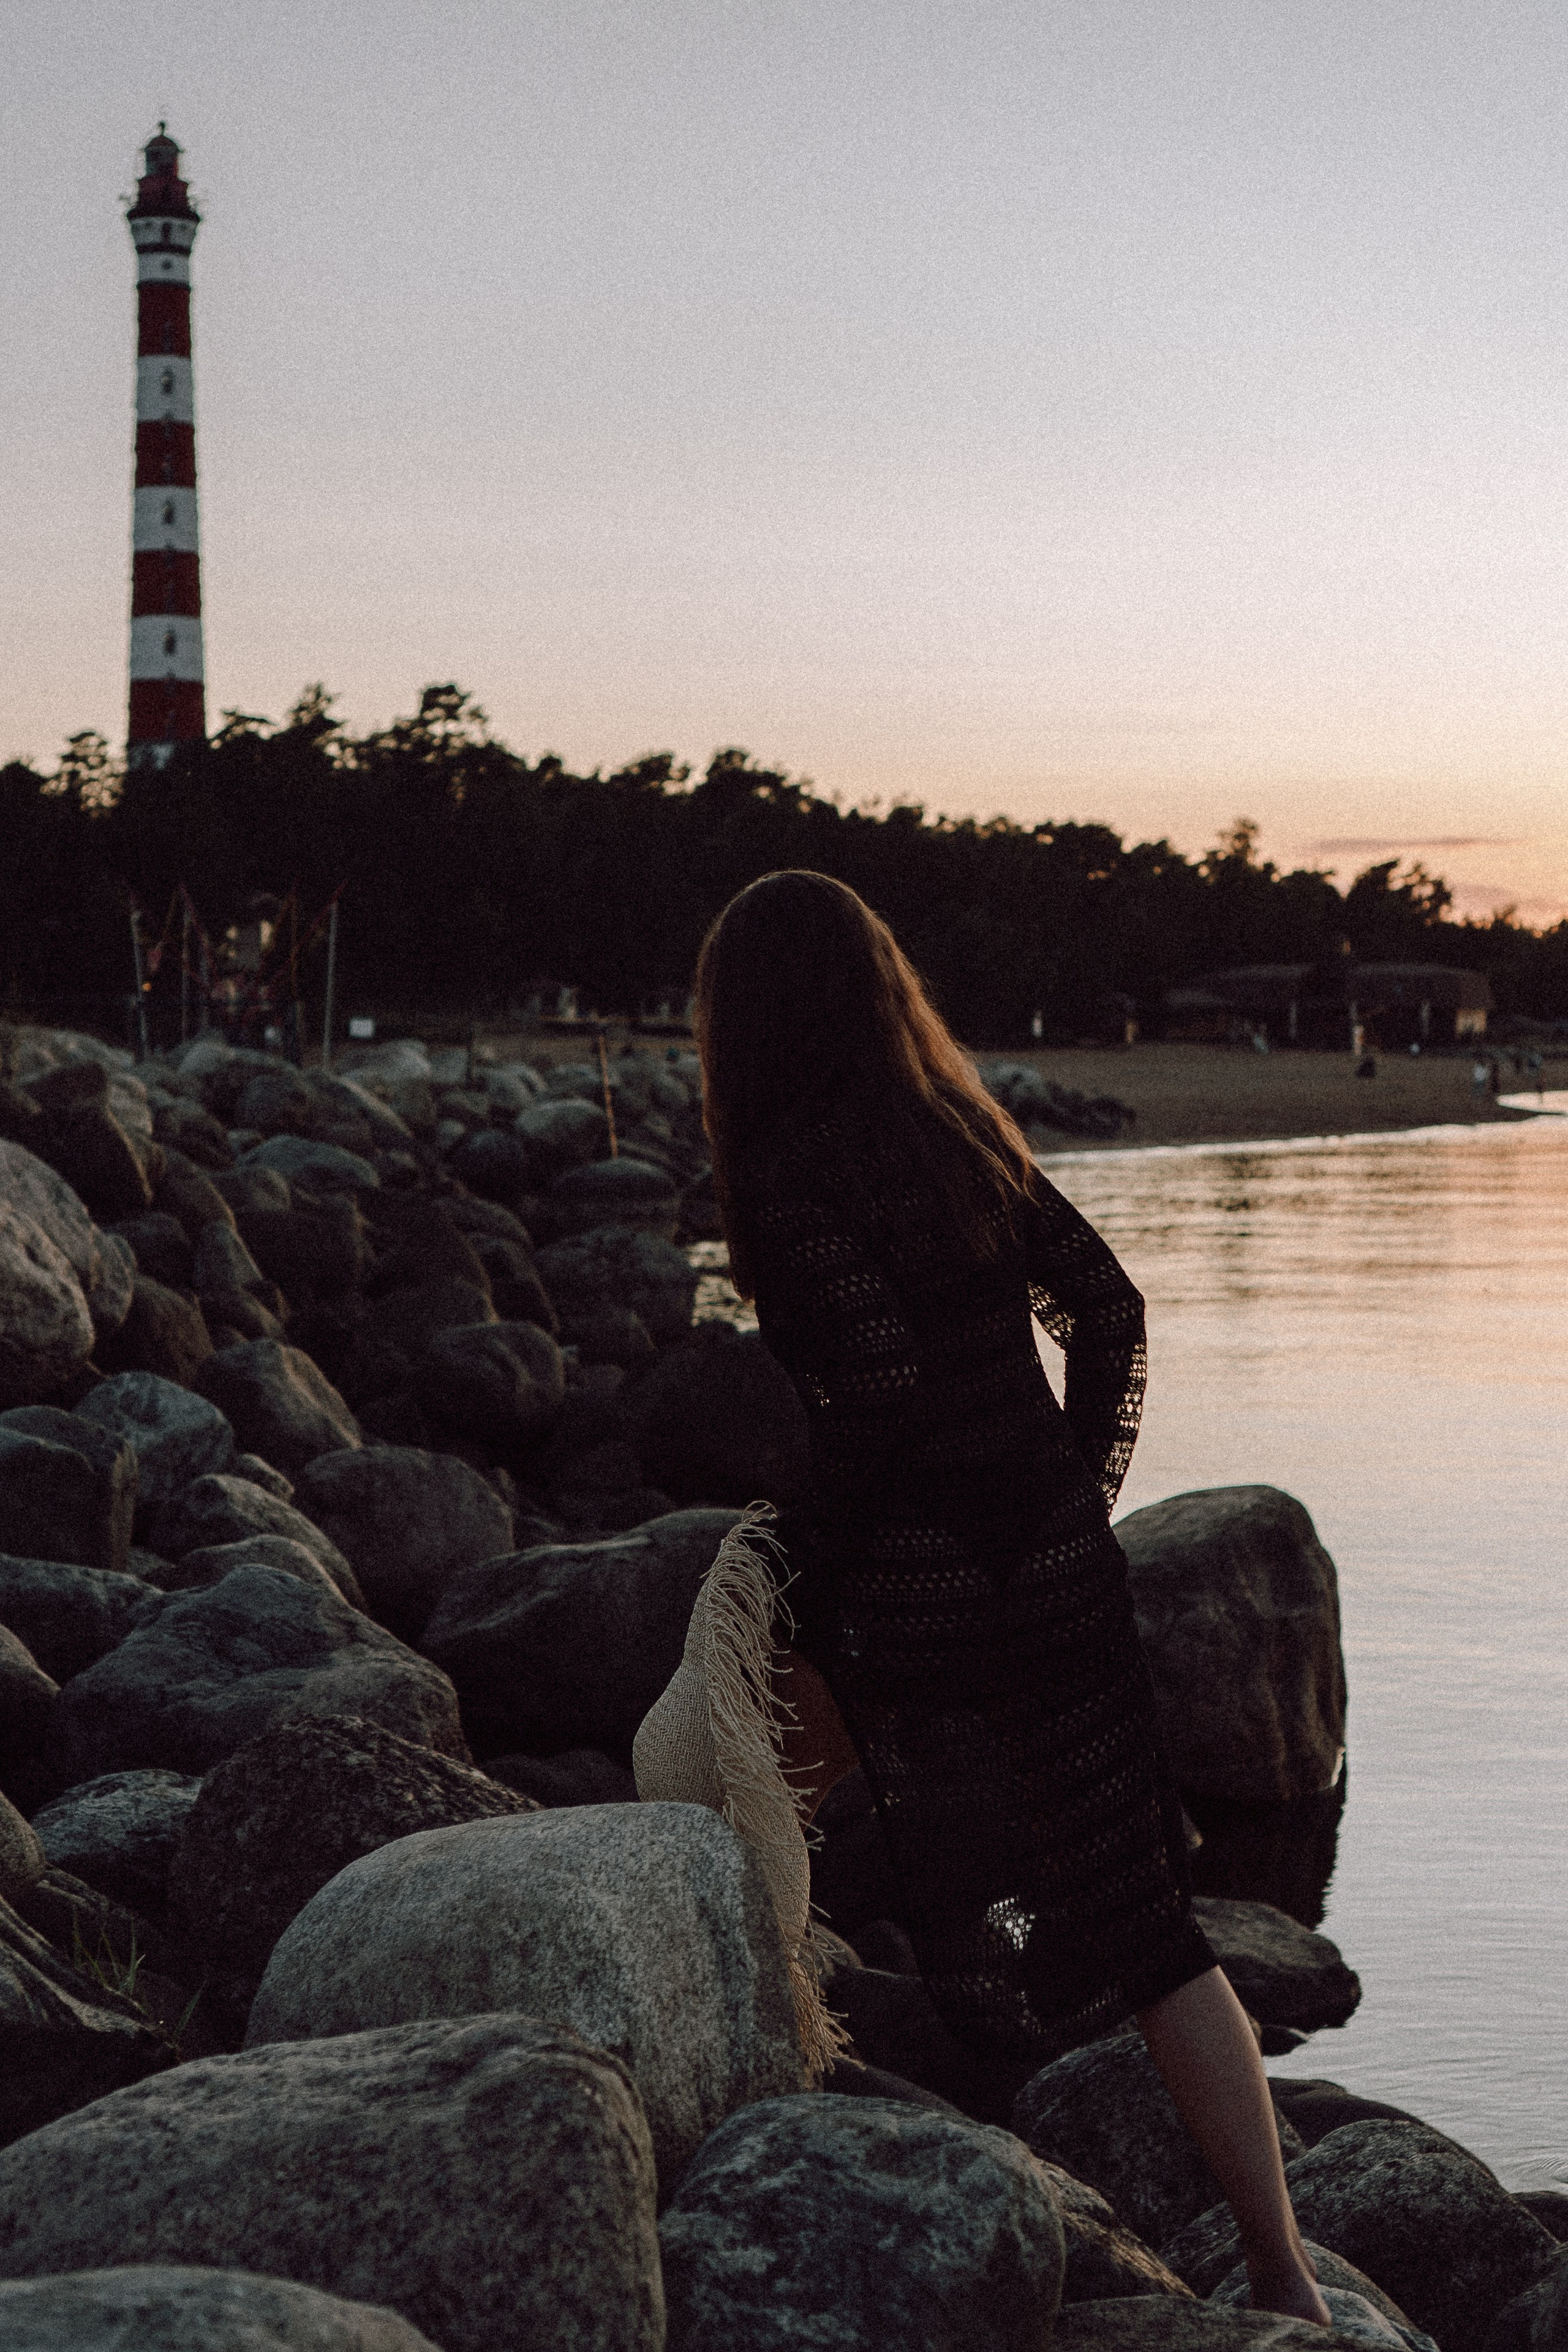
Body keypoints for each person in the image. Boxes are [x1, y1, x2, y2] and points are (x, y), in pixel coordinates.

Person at [695, 870, 1329, 2325]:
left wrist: (801, 1544)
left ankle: (912, 2203)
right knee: (1148, 1924)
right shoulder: (956, 1138)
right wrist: (1068, 1497)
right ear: (875, 994)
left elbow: (882, 1412)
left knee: (880, 1872)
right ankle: (1286, 2276)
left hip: (924, 1596)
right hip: (1053, 1579)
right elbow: (1105, 1310)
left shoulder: (790, 1184)